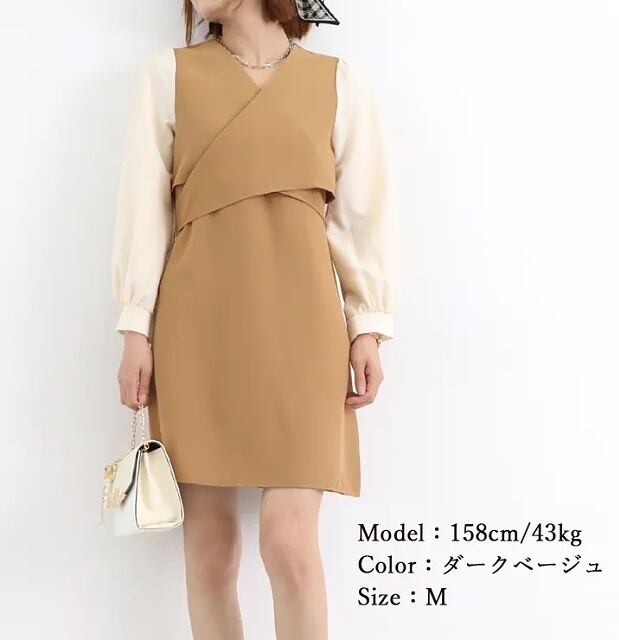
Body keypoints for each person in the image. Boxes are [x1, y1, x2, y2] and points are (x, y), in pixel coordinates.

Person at [111, 1, 395, 637]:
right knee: (210, 554)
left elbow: (361, 219)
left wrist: (368, 325)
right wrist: (135, 327)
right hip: (196, 330)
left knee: (288, 546)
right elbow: (143, 210)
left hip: (304, 330)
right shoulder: (168, 74)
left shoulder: (338, 81)